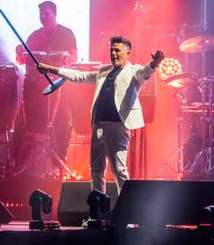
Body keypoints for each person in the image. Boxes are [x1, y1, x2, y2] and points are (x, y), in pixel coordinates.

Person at [38, 36, 164, 193]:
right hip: (99, 125)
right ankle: (98, 213)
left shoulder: (133, 71)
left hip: (118, 127)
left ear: (127, 52)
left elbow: (145, 72)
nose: (113, 53)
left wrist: (154, 64)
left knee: (119, 169)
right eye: (111, 50)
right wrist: (51, 69)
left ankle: (127, 211)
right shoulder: (104, 71)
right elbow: (81, 76)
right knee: (96, 169)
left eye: (117, 50)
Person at [13, 1, 77, 176]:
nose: (43, 17)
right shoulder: (34, 36)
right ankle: (18, 164)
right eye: (41, 14)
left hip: (58, 88)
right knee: (20, 122)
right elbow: (21, 60)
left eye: (46, 14)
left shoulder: (66, 33)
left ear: (54, 14)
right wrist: (19, 53)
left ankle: (58, 163)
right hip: (35, 92)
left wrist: (61, 60)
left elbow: (73, 56)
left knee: (63, 121)